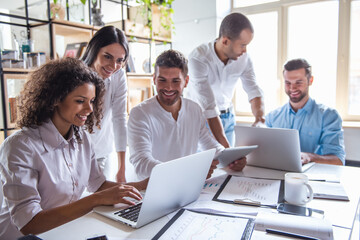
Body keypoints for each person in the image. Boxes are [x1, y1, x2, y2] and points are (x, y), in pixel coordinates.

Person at [0, 58, 143, 238]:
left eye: (91, 101)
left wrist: (142, 186)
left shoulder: (81, 137)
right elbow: (29, 224)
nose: (89, 109)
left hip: (63, 232)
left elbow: (97, 184)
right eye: (80, 100)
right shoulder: (20, 146)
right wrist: (95, 200)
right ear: (55, 99)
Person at [128, 49, 247, 180]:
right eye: (162, 80)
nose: (168, 87)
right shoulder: (140, 114)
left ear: (186, 81)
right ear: (154, 79)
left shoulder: (194, 109)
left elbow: (211, 146)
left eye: (175, 81)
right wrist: (189, 172)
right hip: (150, 189)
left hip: (186, 187)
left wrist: (233, 159)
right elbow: (142, 164)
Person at [186, 12, 264, 148]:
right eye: (242, 45)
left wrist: (259, 119)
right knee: (207, 166)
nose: (245, 50)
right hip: (203, 119)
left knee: (228, 168)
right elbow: (209, 108)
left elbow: (253, 90)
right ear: (225, 41)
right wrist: (229, 154)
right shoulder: (198, 58)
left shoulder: (244, 58)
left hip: (228, 117)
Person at [265, 58, 345, 165]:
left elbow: (338, 161)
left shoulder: (329, 116)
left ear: (310, 81)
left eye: (299, 82)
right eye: (288, 83)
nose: (292, 88)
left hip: (314, 178)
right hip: (278, 176)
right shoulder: (272, 117)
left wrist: (309, 157)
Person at [81, 25, 129, 183]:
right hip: (74, 155)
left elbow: (119, 118)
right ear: (94, 51)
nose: (113, 66)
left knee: (103, 204)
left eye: (120, 60)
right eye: (107, 57)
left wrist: (122, 168)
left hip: (102, 152)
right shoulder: (75, 74)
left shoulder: (118, 75)